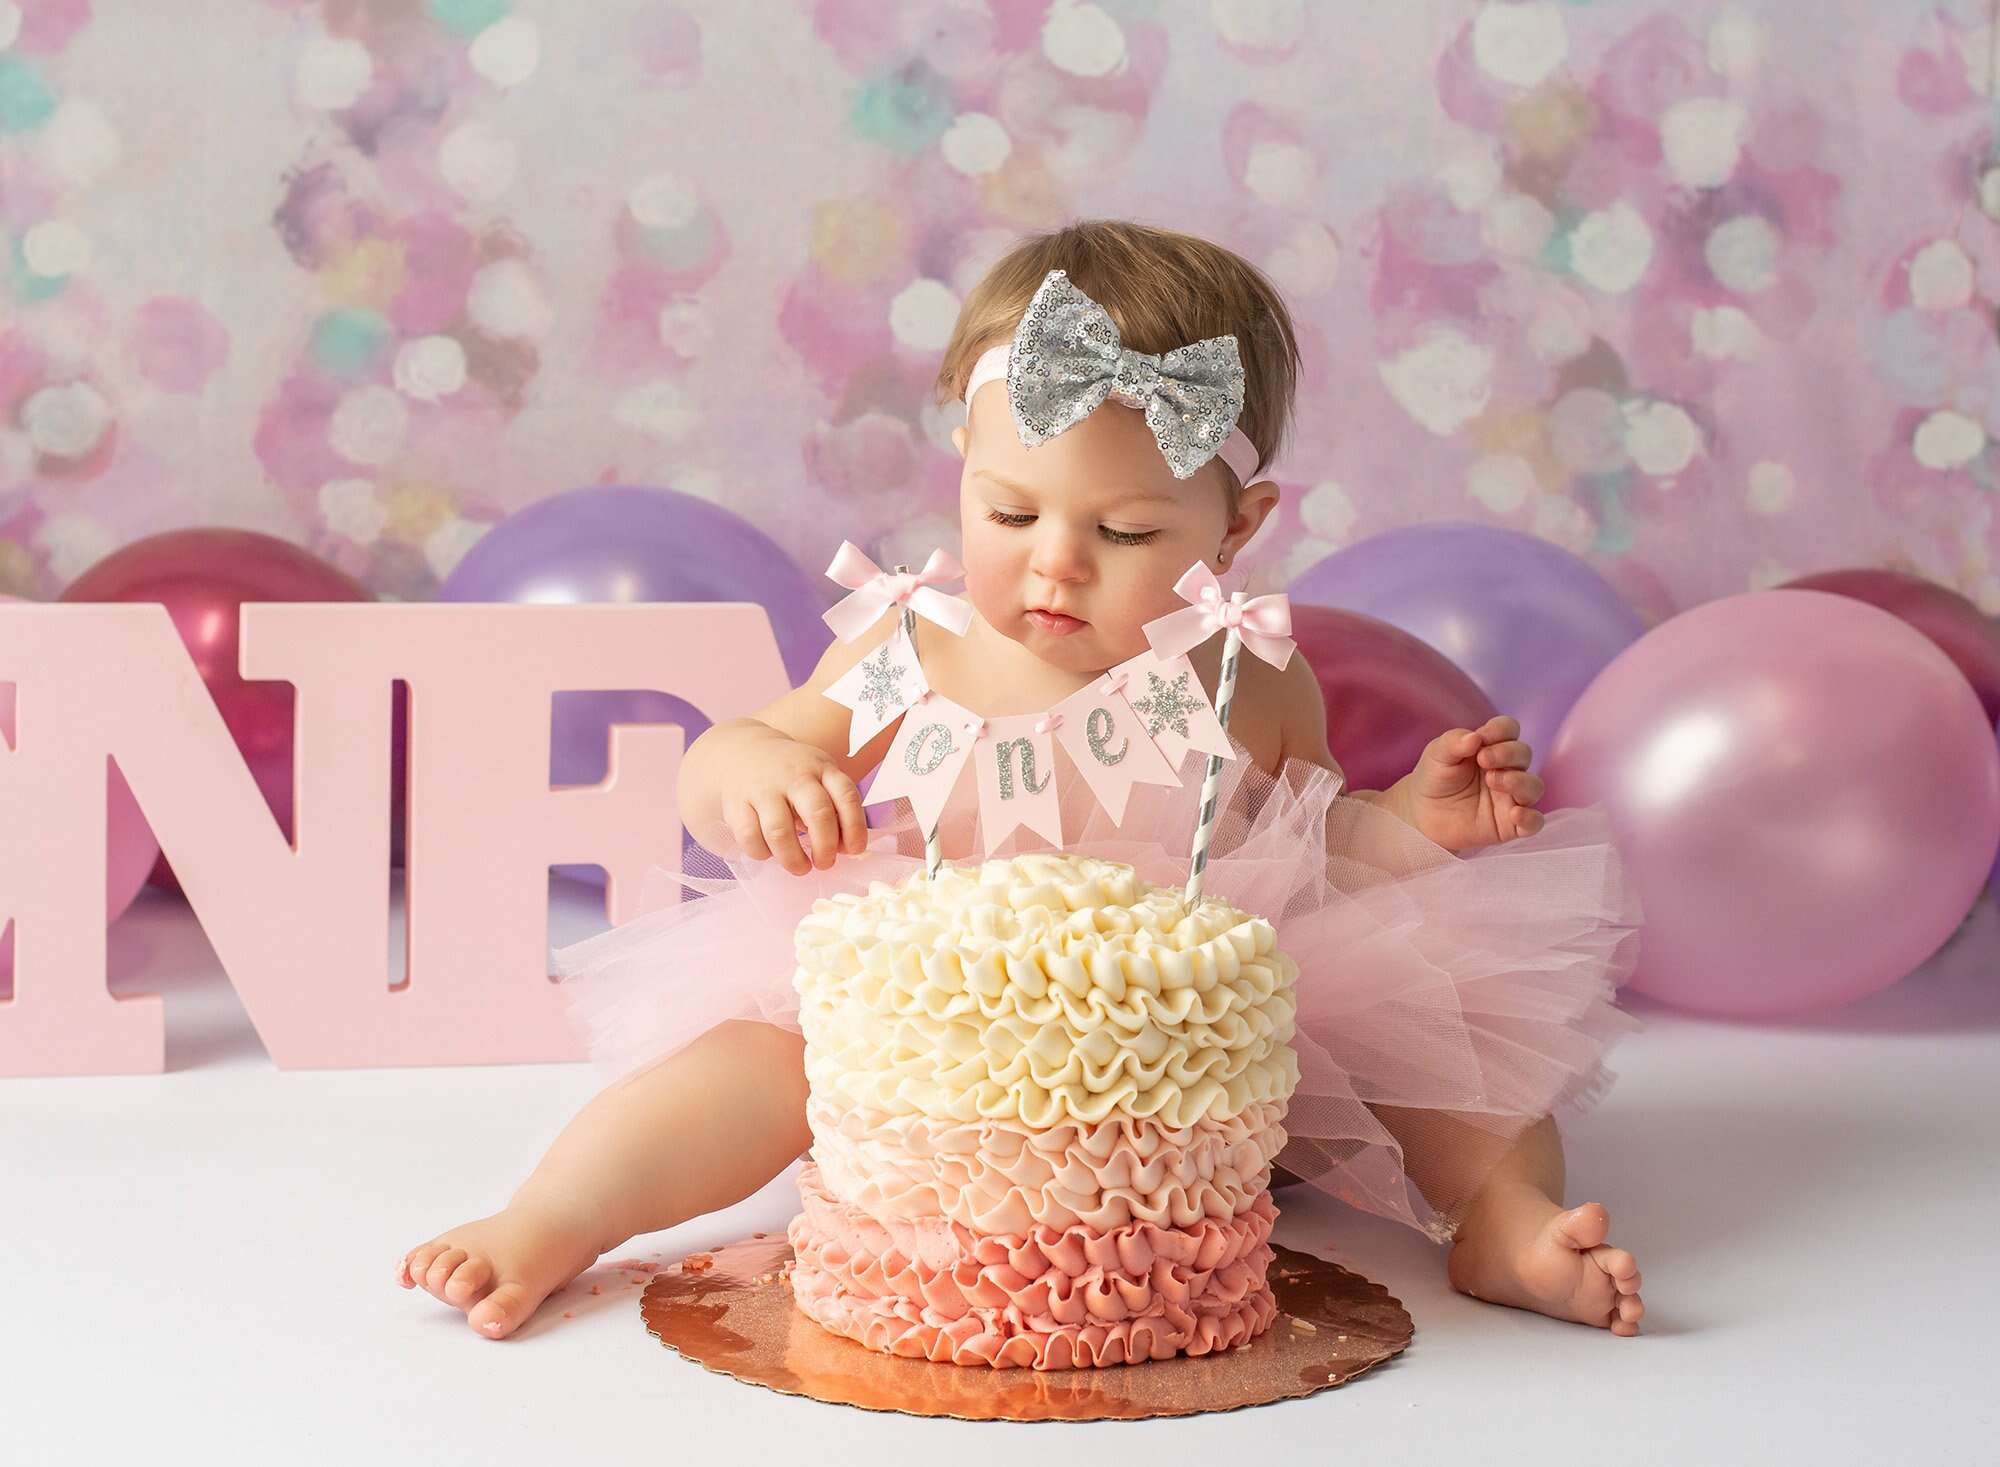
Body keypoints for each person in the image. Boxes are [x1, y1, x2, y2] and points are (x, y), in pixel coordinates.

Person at [397, 219, 1646, 1343]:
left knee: (1449, 1053)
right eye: (1008, 515)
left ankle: (1503, 1222)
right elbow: (731, 754)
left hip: (1193, 1073)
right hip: (930, 1049)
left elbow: (1316, 858)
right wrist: (762, 768)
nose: (1055, 565)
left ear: (1236, 525)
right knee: (748, 1066)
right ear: (960, 463)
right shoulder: (907, 646)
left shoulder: (1241, 676)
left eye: (1123, 532)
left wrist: (1410, 823)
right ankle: (554, 1217)